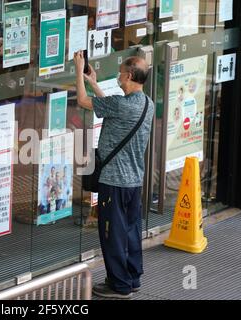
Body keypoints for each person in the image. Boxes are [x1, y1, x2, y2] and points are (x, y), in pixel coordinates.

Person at [74, 52, 154, 299]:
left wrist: (78, 72)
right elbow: (109, 106)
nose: (119, 75)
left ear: (129, 75)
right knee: (130, 231)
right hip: (133, 182)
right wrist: (93, 82)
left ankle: (119, 285)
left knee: (112, 234)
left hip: (114, 182)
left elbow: (82, 101)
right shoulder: (147, 104)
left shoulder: (122, 104)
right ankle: (133, 277)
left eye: (120, 72)